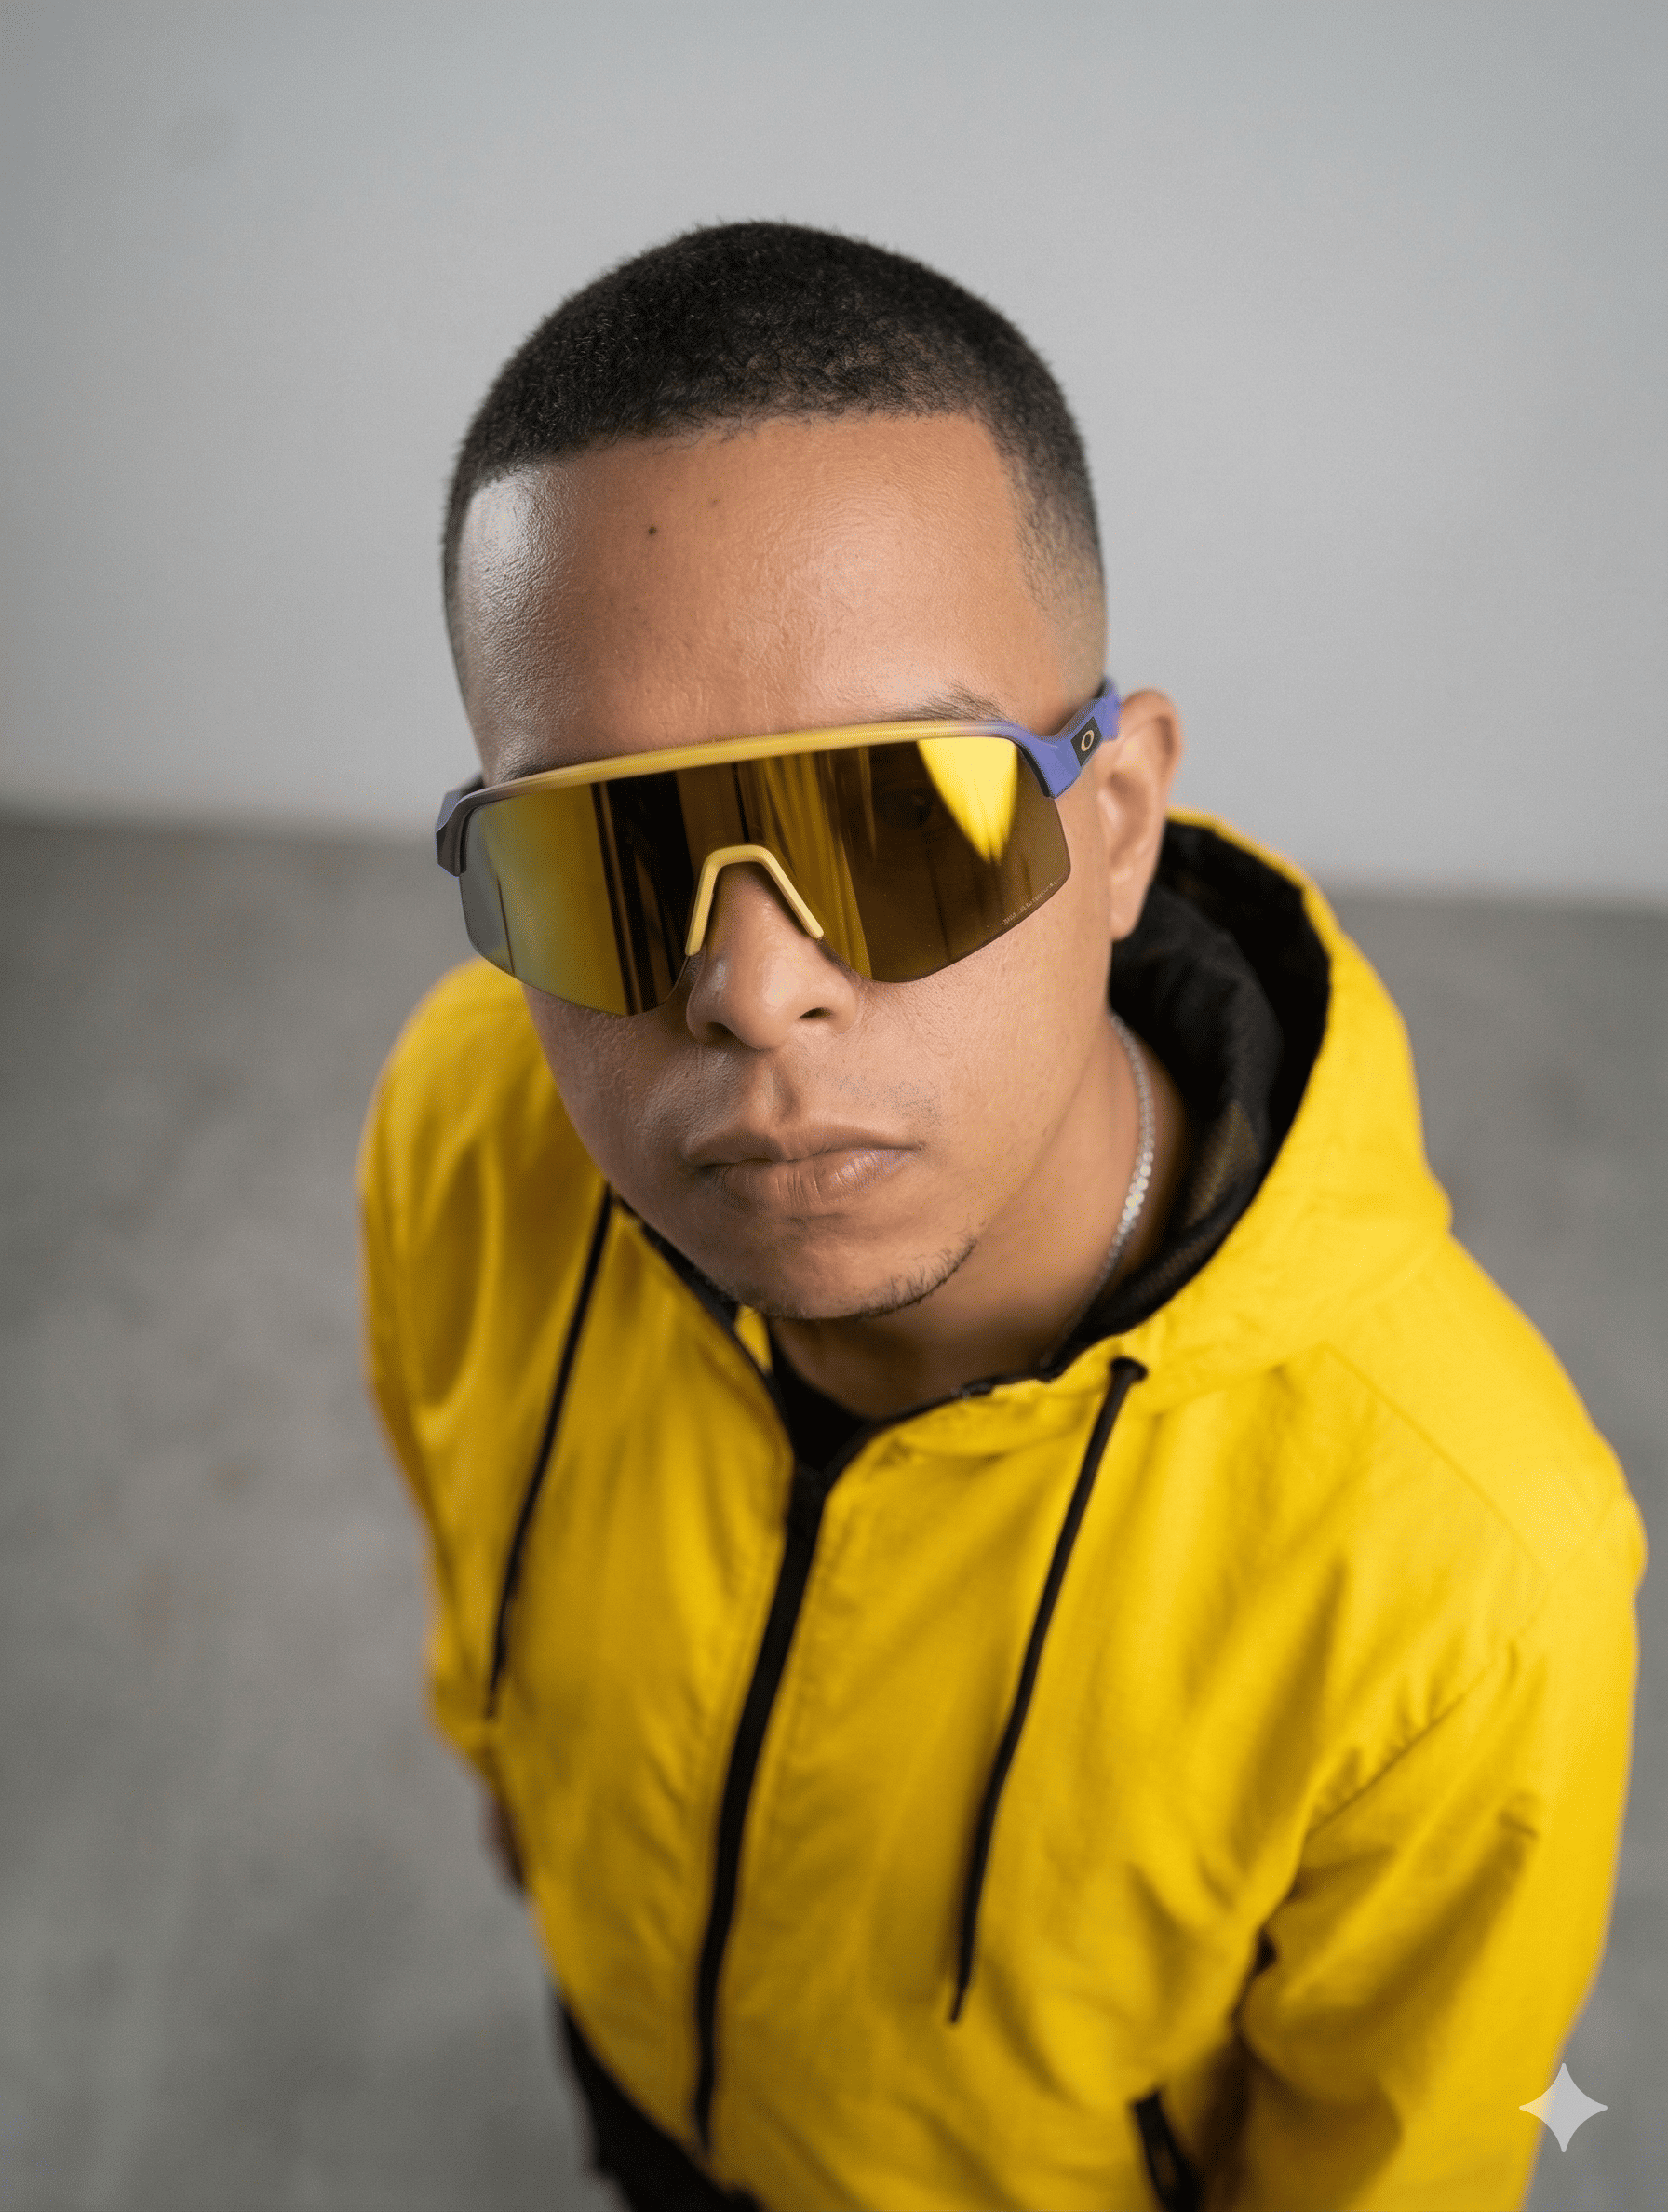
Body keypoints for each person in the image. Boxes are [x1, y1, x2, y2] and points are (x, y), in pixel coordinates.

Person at [358, 223, 1645, 2212]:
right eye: (603, 855)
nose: (752, 990)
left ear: (1113, 822)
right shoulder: (471, 1118)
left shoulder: (1461, 1571)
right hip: (638, 2078)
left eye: (900, 818)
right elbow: (468, 1542)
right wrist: (520, 1780)